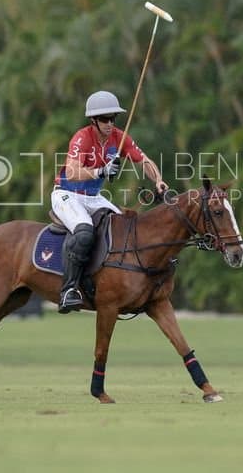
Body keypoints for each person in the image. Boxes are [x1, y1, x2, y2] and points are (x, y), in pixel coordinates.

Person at [52, 90, 168, 312]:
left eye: (113, 118)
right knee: (85, 230)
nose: (109, 123)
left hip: (94, 198)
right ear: (93, 120)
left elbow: (143, 160)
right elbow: (72, 172)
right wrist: (101, 170)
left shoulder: (119, 137)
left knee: (124, 226)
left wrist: (158, 180)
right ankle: (69, 290)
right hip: (67, 194)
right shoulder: (82, 137)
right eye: (104, 119)